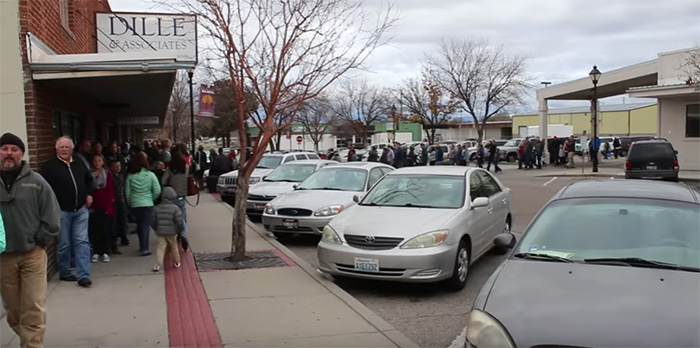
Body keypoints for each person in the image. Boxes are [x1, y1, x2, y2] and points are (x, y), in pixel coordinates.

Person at [0, 132, 61, 347]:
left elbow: (52, 215)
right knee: (13, 311)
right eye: (5, 148)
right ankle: (28, 340)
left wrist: (41, 241)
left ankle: (32, 345)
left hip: (32, 254)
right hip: (4, 257)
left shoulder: (36, 182)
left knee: (34, 307)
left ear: (22, 154)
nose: (9, 153)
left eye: (14, 149)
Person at [41, 136, 94, 288]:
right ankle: (65, 271)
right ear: (56, 149)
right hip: (62, 211)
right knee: (64, 244)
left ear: (72, 148)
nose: (64, 149)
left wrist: (89, 194)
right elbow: (44, 190)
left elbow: (89, 179)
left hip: (81, 210)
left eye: (67, 147)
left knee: (82, 242)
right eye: (61, 147)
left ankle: (84, 275)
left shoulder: (79, 163)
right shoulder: (49, 167)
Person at [126, 152, 161, 256]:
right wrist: (152, 199)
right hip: (147, 203)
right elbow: (157, 190)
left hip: (135, 204)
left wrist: (130, 202)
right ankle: (144, 248)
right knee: (145, 226)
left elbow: (127, 192)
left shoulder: (130, 176)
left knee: (140, 225)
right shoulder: (150, 175)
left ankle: (142, 245)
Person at [89, 154, 116, 263]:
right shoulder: (90, 174)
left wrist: (109, 207)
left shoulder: (107, 174)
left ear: (103, 162)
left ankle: (105, 251)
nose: (97, 163)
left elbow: (110, 191)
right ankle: (96, 251)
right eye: (95, 160)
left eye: (99, 160)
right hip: (94, 206)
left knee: (105, 229)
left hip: (105, 205)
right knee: (95, 230)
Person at [152, 187, 184, 272]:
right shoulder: (175, 208)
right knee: (174, 246)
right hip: (172, 231)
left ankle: (158, 264)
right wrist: (180, 229)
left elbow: (153, 221)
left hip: (160, 231)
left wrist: (156, 228)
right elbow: (179, 221)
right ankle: (177, 261)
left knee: (160, 247)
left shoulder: (157, 208)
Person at [162, 149, 189, 239]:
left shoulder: (170, 169)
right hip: (182, 193)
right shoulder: (186, 167)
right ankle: (184, 233)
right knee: (182, 215)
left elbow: (163, 181)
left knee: (173, 215)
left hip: (172, 194)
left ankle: (176, 233)